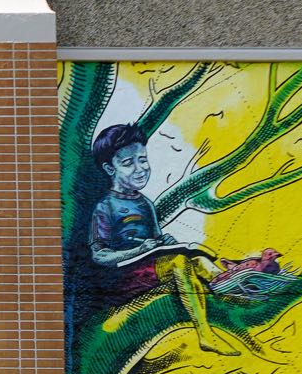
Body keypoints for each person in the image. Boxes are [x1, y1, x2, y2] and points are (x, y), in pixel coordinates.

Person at [87, 122, 226, 354]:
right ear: (110, 169)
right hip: (121, 278)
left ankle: (239, 288)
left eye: (142, 159)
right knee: (179, 263)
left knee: (200, 261)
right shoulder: (105, 206)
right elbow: (99, 255)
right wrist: (138, 251)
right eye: (128, 163)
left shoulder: (144, 203)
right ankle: (206, 335)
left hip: (150, 267)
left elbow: (155, 242)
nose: (140, 168)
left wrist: (165, 243)